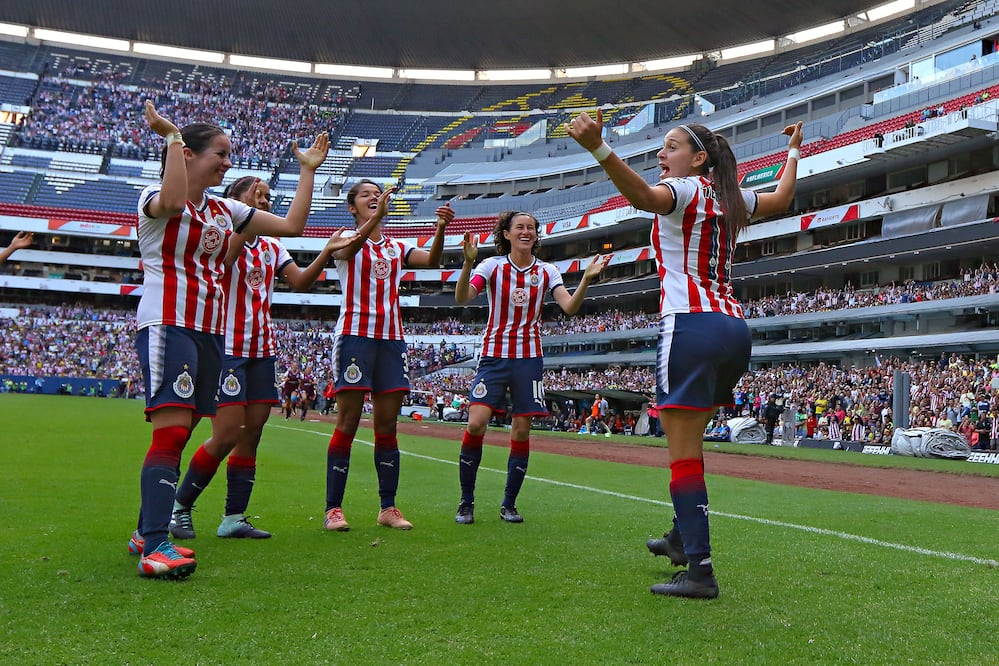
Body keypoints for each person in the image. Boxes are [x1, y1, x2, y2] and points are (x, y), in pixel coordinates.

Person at [567, 110, 801, 598]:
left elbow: (643, 198)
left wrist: (599, 149)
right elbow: (781, 199)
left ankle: (700, 571)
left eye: (671, 147)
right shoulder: (730, 196)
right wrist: (794, 151)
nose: (661, 153)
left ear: (698, 159)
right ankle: (679, 538)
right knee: (691, 441)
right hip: (733, 328)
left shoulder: (686, 188)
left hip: (690, 326)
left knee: (684, 457)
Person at [129, 101, 329, 579]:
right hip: (169, 323)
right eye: (219, 153)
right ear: (189, 155)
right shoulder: (153, 196)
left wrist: (307, 171)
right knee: (171, 432)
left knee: (184, 433)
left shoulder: (225, 210)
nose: (227, 162)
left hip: (210, 333)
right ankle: (155, 545)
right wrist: (172, 138)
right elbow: (173, 203)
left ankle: (144, 530)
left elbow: (291, 227)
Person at [168, 175, 349, 542]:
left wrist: (326, 252)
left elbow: (300, 282)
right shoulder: (221, 235)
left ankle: (233, 517)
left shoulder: (272, 246)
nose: (265, 202)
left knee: (251, 435)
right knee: (225, 434)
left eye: (267, 197)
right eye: (258, 196)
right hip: (228, 349)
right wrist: (243, 223)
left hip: (262, 351)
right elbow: (222, 264)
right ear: (235, 203)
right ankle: (180, 508)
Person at [452, 211, 609, 525]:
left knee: (522, 430)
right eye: (520, 227)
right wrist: (467, 263)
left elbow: (569, 307)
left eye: (531, 228)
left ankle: (509, 505)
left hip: (529, 358)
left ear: (536, 235)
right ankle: (466, 502)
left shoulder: (547, 271)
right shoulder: (491, 266)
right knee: (476, 424)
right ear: (507, 234)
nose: (526, 232)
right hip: (494, 356)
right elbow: (462, 298)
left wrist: (586, 280)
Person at [323, 179, 455, 533]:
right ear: (351, 207)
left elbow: (432, 260)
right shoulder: (344, 237)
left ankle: (388, 507)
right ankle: (333, 509)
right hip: (354, 337)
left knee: (387, 425)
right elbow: (346, 252)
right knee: (348, 422)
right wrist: (375, 217)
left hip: (392, 340)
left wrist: (440, 228)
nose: (373, 197)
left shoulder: (397, 247)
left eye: (376, 193)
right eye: (365, 194)